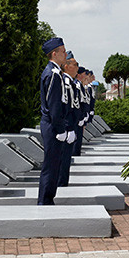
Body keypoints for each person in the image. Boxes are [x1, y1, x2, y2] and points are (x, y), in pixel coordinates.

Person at [37, 37, 73, 205]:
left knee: (54, 163)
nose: (65, 54)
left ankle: (48, 198)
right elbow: (54, 105)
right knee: (50, 165)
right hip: (52, 126)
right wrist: (59, 129)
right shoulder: (52, 74)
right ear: (54, 53)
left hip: (54, 124)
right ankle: (44, 200)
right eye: (63, 51)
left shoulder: (56, 73)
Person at [58, 53, 81, 187]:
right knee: (63, 159)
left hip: (71, 126)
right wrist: (68, 128)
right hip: (67, 127)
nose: (77, 68)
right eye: (75, 65)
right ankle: (61, 185)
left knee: (66, 159)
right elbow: (65, 107)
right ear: (66, 66)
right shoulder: (65, 82)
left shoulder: (70, 82)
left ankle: (62, 183)